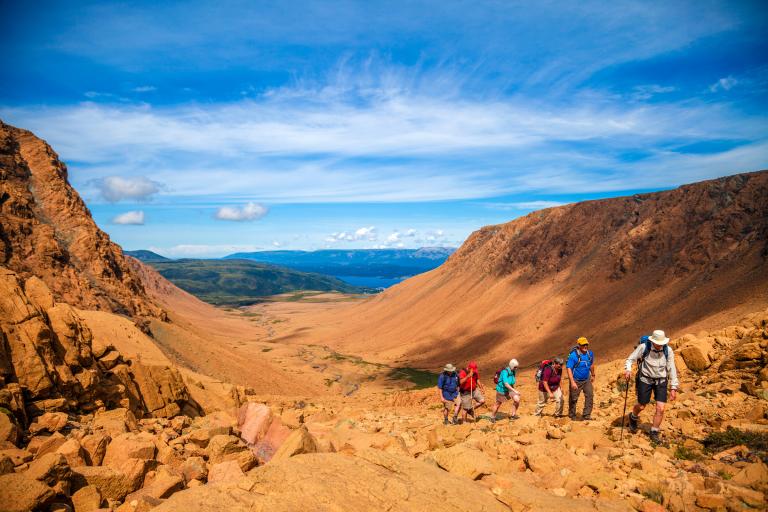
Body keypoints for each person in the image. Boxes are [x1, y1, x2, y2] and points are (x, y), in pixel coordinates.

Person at [624, 330, 679, 443]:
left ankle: (654, 431)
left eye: (662, 343)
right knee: (642, 406)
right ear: (653, 341)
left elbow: (671, 368)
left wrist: (673, 387)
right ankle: (633, 417)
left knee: (661, 408)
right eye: (658, 343)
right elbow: (630, 359)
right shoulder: (644, 347)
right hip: (645, 379)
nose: (660, 345)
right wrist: (628, 370)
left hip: (661, 380)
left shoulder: (667, 350)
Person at [567, 337, 595, 420]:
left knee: (590, 395)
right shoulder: (573, 356)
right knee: (573, 398)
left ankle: (586, 415)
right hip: (576, 380)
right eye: (583, 344)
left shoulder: (590, 354)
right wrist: (572, 382)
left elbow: (591, 364)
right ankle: (572, 415)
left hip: (586, 379)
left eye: (586, 344)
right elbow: (569, 368)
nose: (585, 346)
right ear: (579, 345)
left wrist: (593, 375)